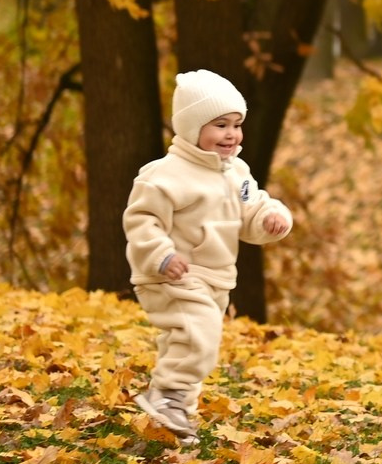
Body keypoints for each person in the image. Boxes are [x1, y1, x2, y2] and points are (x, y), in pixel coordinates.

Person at [123, 69, 294, 441]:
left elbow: (251, 211)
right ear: (191, 127)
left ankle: (176, 418)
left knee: (191, 340)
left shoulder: (236, 173)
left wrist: (270, 219)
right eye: (220, 125)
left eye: (237, 124)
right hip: (170, 274)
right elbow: (141, 220)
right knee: (200, 334)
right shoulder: (165, 175)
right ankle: (167, 396)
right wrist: (162, 255)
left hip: (215, 277)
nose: (231, 134)